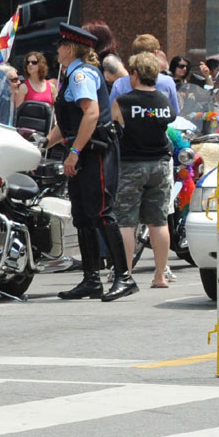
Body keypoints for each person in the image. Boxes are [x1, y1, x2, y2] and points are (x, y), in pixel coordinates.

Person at [46, 23, 136, 302]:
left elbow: (91, 114)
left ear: (71, 48)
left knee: (101, 212)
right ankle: (91, 279)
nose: (57, 49)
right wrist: (43, 144)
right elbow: (68, 123)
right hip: (83, 148)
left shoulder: (81, 74)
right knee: (83, 215)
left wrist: (74, 152)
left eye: (61, 45)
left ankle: (124, 277)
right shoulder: (72, 74)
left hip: (95, 150)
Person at [112, 51, 176, 291]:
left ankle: (126, 275)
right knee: (158, 221)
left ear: (135, 74)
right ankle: (160, 275)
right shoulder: (163, 100)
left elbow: (114, 125)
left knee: (126, 222)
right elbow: (170, 120)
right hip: (160, 164)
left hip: (131, 164)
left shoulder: (124, 101)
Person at [109, 34, 181, 114]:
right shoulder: (167, 82)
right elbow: (175, 113)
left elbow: (112, 113)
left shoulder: (120, 84)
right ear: (155, 54)